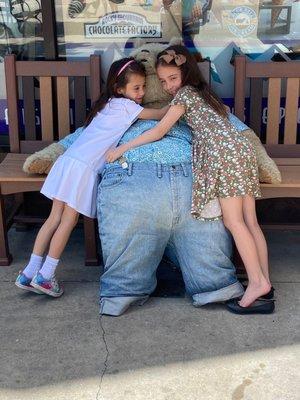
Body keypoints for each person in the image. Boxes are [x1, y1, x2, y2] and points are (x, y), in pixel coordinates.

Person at [105, 45, 274, 311]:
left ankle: (256, 283)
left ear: (186, 73)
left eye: (173, 78)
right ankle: (266, 281)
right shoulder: (207, 96)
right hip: (240, 150)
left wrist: (122, 148)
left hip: (222, 155)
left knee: (234, 222)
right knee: (250, 222)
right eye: (162, 81)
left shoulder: (184, 97)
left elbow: (159, 130)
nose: (168, 86)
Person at [15, 57, 168, 298]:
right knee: (67, 222)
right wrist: (181, 104)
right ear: (120, 89)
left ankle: (29, 271)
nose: (142, 93)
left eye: (144, 87)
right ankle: (46, 276)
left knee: (53, 218)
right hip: (83, 169)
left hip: (67, 162)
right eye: (136, 88)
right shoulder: (128, 107)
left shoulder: (107, 103)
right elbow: (159, 114)